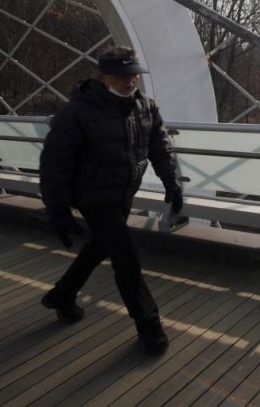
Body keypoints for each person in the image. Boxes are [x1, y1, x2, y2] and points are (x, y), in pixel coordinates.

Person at [38, 46, 184, 355]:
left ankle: (62, 295)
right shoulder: (77, 112)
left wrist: (171, 180)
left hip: (123, 191)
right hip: (92, 194)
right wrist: (57, 210)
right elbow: (55, 163)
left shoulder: (146, 106)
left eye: (133, 74)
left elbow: (159, 145)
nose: (130, 81)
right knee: (126, 256)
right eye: (121, 75)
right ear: (101, 77)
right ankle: (150, 327)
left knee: (100, 246)